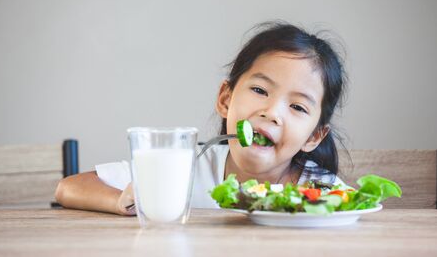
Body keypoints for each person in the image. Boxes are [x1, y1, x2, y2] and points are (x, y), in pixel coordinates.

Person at [55, 21, 348, 216]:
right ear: (225, 99)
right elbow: (67, 188)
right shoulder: (185, 165)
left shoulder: (324, 191)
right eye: (260, 90)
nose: (271, 112)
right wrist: (121, 201)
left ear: (313, 136)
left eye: (297, 107)